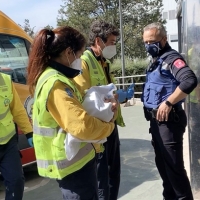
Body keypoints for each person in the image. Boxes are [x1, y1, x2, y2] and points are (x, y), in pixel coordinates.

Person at [27, 26, 117, 200]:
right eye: (80, 53)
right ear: (69, 53)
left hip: (75, 160)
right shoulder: (55, 83)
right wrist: (109, 126)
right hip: (72, 164)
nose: (81, 59)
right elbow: (81, 126)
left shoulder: (57, 78)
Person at [73, 20, 134, 200]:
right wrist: (113, 97)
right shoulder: (84, 63)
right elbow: (82, 97)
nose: (114, 46)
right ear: (98, 41)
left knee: (114, 173)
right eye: (112, 42)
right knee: (101, 178)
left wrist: (116, 96)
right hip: (98, 130)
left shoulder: (103, 62)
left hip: (110, 125)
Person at [142, 22, 197, 200]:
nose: (149, 45)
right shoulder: (156, 60)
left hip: (169, 123)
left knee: (175, 172)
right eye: (146, 42)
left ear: (164, 39)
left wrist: (169, 102)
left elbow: (189, 80)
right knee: (165, 171)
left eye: (152, 41)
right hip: (157, 123)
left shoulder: (172, 59)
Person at [0, 72, 33, 200]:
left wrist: (29, 132)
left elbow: (17, 110)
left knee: (16, 181)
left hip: (8, 143)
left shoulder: (5, 80)